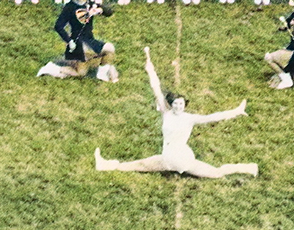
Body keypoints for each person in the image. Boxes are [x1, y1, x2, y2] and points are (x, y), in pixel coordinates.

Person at [95, 46, 257, 177]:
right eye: (176, 104)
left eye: (181, 104)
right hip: (169, 157)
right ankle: (104, 165)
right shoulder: (166, 112)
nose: (178, 107)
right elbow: (156, 88)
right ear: (172, 105)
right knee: (140, 164)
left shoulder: (189, 118)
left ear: (185, 105)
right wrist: (150, 70)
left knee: (216, 173)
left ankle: (248, 168)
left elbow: (213, 117)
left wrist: (236, 111)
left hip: (180, 159)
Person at [38, 0, 118, 81]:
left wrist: (100, 10)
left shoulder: (90, 3)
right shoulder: (69, 7)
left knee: (110, 49)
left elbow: (110, 12)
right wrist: (69, 41)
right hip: (77, 42)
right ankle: (53, 68)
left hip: (89, 39)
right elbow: (58, 26)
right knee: (80, 73)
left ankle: (101, 74)